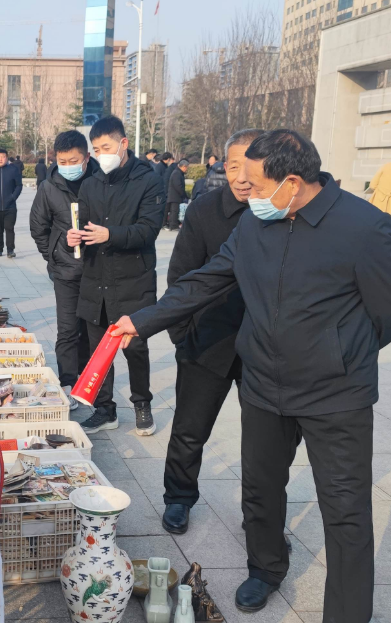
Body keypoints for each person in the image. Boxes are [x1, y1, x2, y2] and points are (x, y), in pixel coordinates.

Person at [110, 129, 391, 623]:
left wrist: (342, 352)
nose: (245, 190)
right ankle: (265, 568)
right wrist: (144, 319)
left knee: (345, 512)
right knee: (261, 485)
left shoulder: (363, 227)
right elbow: (206, 280)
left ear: (293, 182)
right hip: (264, 386)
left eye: (257, 183)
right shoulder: (257, 222)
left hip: (336, 395)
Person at [159, 129, 263, 535]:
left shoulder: (278, 212)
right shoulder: (204, 210)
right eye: (232, 165)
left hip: (262, 346)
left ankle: (262, 518)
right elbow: (180, 275)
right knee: (189, 429)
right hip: (208, 342)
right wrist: (183, 335)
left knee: (264, 444)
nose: (240, 177)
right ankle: (178, 499)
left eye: (249, 167)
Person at [66, 115, 163, 436]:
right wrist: (75, 238)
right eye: (95, 149)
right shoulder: (91, 183)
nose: (99, 154)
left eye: (105, 147)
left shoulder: (148, 180)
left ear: (123, 143)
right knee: (99, 350)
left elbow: (148, 231)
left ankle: (142, 403)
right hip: (96, 279)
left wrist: (111, 235)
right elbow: (87, 227)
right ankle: (105, 409)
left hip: (132, 279)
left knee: (134, 347)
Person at [30, 130, 96, 406]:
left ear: (86, 158)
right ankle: (68, 385)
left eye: (73, 160)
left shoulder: (99, 182)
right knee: (68, 330)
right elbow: (38, 228)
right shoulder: (49, 187)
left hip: (97, 271)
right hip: (65, 272)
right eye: (62, 161)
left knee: (92, 332)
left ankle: (90, 383)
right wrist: (55, 255)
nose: (67, 166)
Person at [165, 159, 189, 230]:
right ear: (184, 166)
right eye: (186, 167)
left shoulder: (178, 172)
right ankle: (173, 225)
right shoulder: (177, 173)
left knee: (174, 210)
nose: (186, 169)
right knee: (174, 211)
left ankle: (172, 224)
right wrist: (183, 194)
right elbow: (178, 186)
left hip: (174, 195)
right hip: (174, 196)